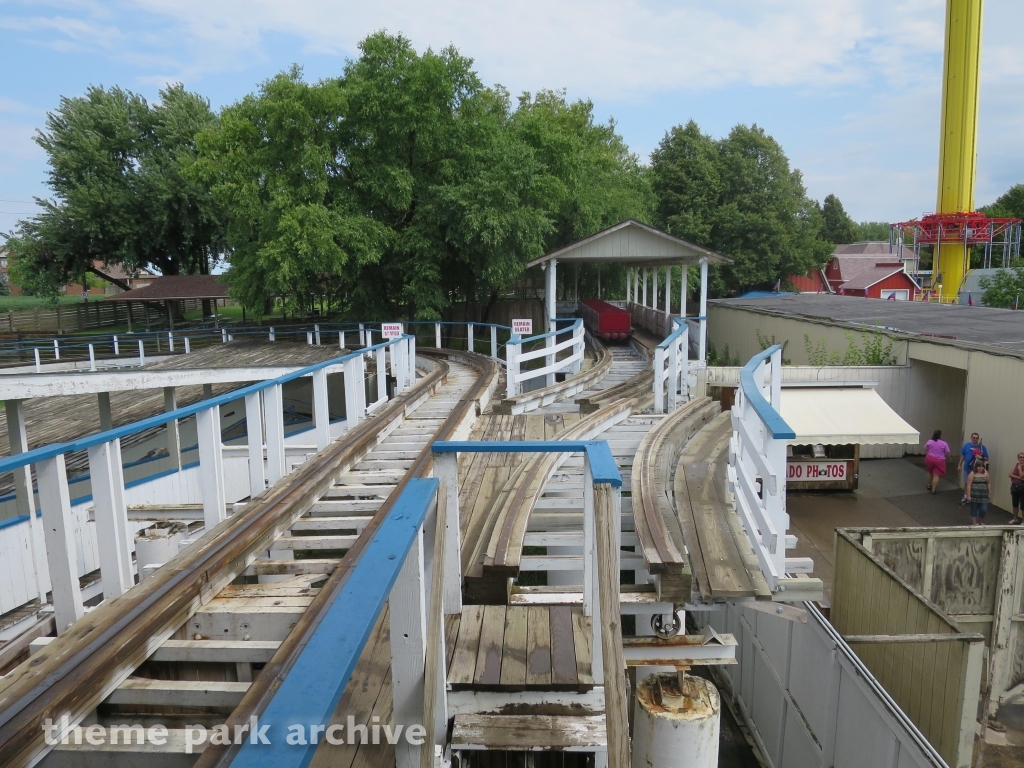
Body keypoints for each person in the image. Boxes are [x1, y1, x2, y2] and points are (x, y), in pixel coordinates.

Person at [958, 433, 989, 505]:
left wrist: (980, 457)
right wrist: (959, 465)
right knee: (967, 483)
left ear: (978, 439)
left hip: (977, 470)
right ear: (971, 438)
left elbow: (987, 458)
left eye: (976, 438)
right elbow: (963, 455)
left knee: (975, 483)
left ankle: (974, 498)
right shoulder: (967, 445)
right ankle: (965, 496)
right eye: (974, 437)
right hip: (967, 468)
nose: (975, 439)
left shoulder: (982, 447)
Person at [966, 460, 990, 525]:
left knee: (983, 510)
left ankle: (981, 521)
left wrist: (989, 493)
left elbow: (988, 483)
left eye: (982, 466)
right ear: (976, 467)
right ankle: (974, 523)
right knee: (974, 509)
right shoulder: (972, 474)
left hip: (984, 495)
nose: (981, 468)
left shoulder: (986, 473)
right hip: (974, 495)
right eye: (979, 466)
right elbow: (968, 485)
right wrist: (968, 495)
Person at [1010, 452, 1024, 524]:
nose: (1022, 458)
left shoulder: (1020, 467)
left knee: (1023, 505)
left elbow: (1022, 475)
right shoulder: (1015, 465)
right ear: (1018, 458)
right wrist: (1018, 477)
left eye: (1023, 457)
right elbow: (1010, 474)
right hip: (1014, 487)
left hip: (1022, 489)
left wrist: (1019, 469)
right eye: (1020, 457)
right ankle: (1015, 518)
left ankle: (1023, 521)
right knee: (1015, 504)